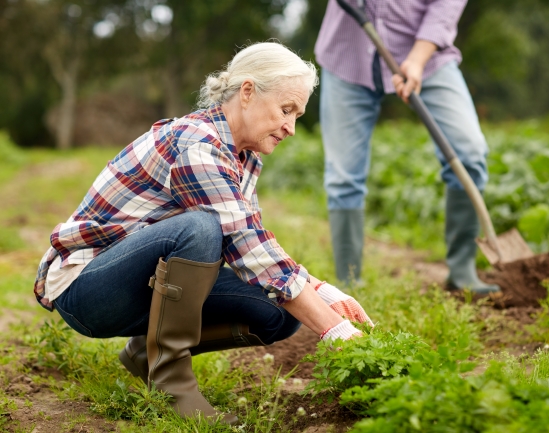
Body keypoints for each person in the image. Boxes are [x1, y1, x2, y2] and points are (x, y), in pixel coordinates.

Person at [33, 42, 373, 425]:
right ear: (247, 92)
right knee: (201, 228)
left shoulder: (243, 154)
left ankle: (147, 353)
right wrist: (334, 329)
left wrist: (324, 292)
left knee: (280, 311)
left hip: (138, 283)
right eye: (286, 110)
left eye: (297, 114)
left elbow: (253, 241)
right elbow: (247, 247)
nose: (291, 128)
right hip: (87, 289)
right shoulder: (199, 145)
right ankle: (172, 385)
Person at [315, 0, 500, 293]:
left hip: (427, 58)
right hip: (347, 55)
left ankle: (463, 273)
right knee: (343, 174)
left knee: (469, 153)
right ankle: (349, 283)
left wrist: (418, 57)